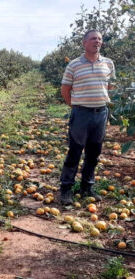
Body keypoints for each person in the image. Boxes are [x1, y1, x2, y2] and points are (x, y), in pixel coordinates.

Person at [59, 29, 115, 205]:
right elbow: (65, 90)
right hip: (81, 114)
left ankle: (87, 187)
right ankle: (66, 189)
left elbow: (110, 87)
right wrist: (76, 106)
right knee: (75, 151)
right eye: (93, 38)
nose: (97, 41)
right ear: (84, 43)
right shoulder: (74, 65)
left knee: (94, 153)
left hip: (101, 114)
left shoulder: (108, 63)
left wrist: (102, 102)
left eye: (99, 39)